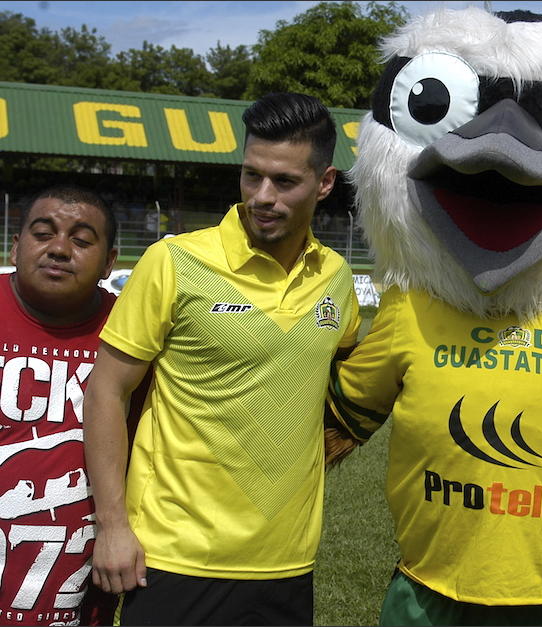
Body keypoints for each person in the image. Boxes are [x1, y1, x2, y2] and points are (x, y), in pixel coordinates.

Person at [82, 92, 361, 626]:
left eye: (284, 181)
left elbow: (345, 378)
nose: (263, 196)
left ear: (324, 183)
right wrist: (112, 524)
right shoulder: (175, 261)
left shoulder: (337, 278)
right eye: (251, 175)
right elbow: (106, 392)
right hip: (174, 554)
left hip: (287, 560)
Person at [0, 186, 118, 626]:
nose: (60, 249)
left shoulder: (133, 333)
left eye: (82, 240)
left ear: (110, 262)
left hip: (76, 594)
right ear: (15, 246)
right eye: (43, 233)